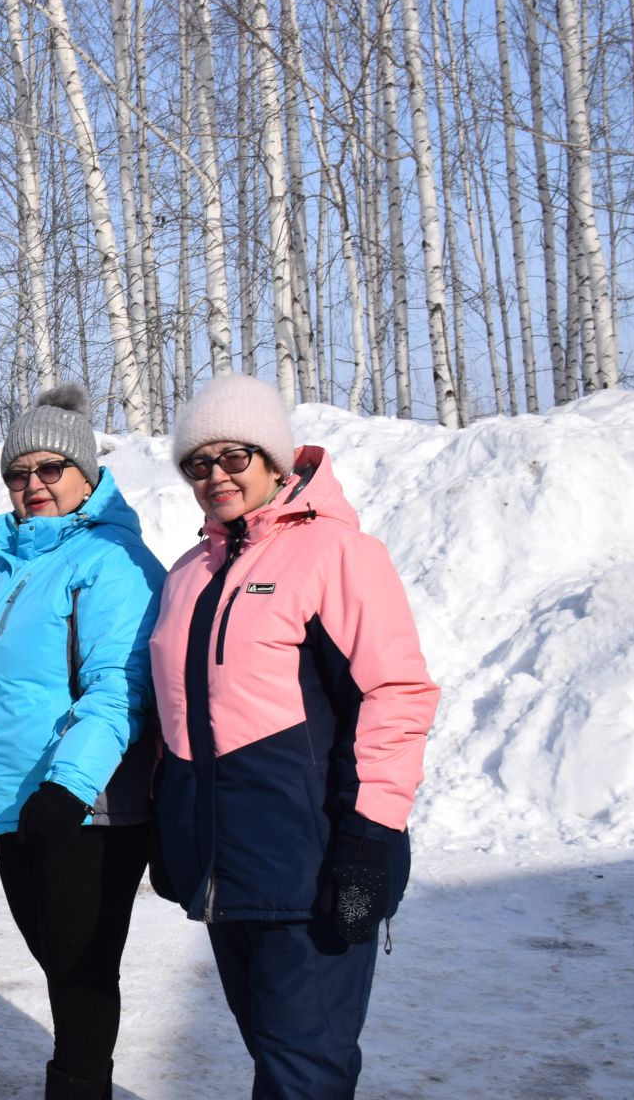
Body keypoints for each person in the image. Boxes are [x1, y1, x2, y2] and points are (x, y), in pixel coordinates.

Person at [150, 374, 440, 1100]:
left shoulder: (338, 554)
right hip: (227, 868)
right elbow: (176, 713)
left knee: (302, 1071)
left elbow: (395, 694)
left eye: (234, 457)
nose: (215, 476)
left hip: (313, 868)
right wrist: (171, 825)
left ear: (276, 460)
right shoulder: (190, 573)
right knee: (278, 1060)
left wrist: (369, 839)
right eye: (197, 463)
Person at [0, 386, 165, 1100]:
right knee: (56, 961)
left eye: (49, 470)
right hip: (15, 805)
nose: (32, 485)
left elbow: (119, 688)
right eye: (19, 473)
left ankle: (76, 1090)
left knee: (81, 971)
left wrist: (68, 785)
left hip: (85, 805)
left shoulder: (112, 561)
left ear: (85, 473)